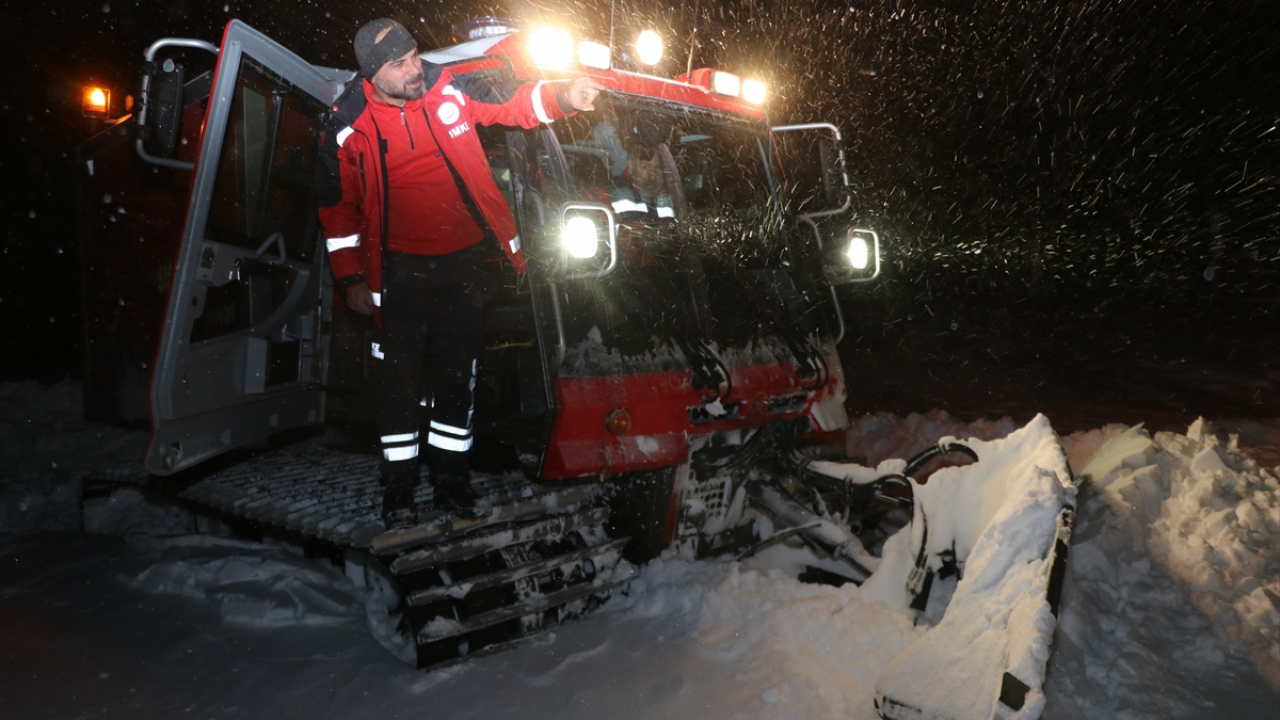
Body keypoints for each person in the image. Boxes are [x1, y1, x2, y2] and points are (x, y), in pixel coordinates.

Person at [316, 19, 603, 529]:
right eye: (400, 65)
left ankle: (452, 487)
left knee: (456, 385)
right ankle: (398, 495)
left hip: (464, 266)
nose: (415, 70)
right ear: (372, 74)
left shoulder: (450, 86)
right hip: (397, 275)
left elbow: (515, 103)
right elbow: (337, 212)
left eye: (415, 57)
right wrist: (350, 280)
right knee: (398, 390)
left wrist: (565, 95)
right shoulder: (347, 122)